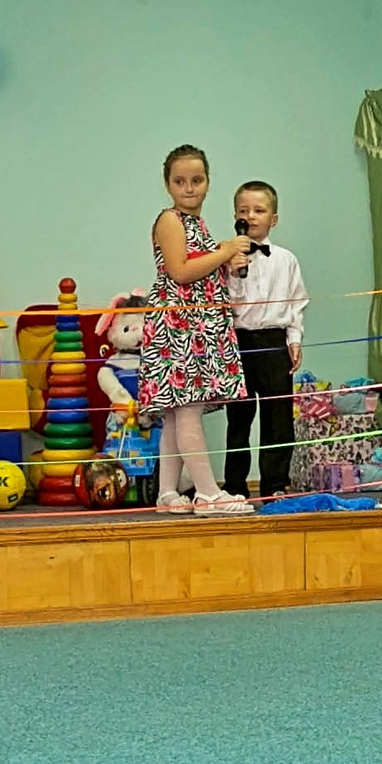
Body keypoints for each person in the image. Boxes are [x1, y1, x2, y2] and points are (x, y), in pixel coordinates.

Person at [139, 146, 252, 516]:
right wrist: (225, 251)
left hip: (197, 325)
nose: (189, 188)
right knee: (186, 407)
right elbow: (181, 271)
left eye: (197, 180)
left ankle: (167, 492)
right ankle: (207, 492)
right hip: (179, 327)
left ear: (207, 182)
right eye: (180, 181)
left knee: (177, 412)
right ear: (167, 184)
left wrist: (227, 258)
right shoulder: (170, 220)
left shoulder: (197, 225)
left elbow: (202, 267)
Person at [222, 181, 305, 499]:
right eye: (244, 210)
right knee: (239, 419)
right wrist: (232, 271)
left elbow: (297, 303)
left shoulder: (286, 259)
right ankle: (234, 486)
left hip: (274, 342)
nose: (251, 216)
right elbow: (227, 303)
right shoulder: (227, 259)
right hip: (239, 341)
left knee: (278, 419)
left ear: (274, 218)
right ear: (235, 216)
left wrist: (294, 340)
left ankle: (274, 484)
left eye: (259, 210)